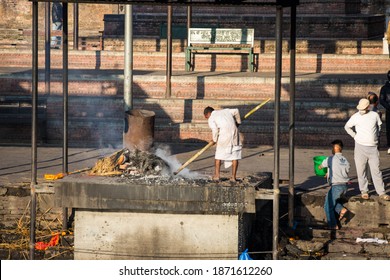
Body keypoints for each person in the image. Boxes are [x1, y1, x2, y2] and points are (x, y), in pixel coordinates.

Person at [344, 98, 390, 201]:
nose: (362, 110)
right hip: (360, 146)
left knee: (376, 171)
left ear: (368, 107)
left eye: (363, 108)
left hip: (373, 147)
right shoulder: (355, 117)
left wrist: (376, 135)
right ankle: (364, 191)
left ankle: (381, 192)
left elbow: (379, 125)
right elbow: (347, 127)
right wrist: (354, 136)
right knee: (361, 170)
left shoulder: (374, 115)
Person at [204, 106, 242, 181]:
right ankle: (233, 177)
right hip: (234, 133)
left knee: (218, 155)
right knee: (234, 156)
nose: (207, 118)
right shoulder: (226, 111)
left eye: (206, 117)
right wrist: (238, 122)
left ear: (207, 114)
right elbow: (236, 110)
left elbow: (215, 130)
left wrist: (214, 140)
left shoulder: (211, 118)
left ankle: (217, 176)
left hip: (224, 135)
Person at [318, 140, 350, 229]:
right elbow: (344, 170)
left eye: (332, 147)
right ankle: (341, 209)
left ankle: (333, 225)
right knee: (333, 202)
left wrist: (319, 166)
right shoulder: (345, 160)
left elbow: (321, 165)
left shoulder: (330, 159)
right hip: (344, 186)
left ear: (335, 148)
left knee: (328, 206)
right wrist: (329, 173)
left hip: (336, 186)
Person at [379, 70, 390, 154]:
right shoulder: (384, 88)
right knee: (389, 129)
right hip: (389, 110)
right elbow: (382, 100)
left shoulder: (384, 88)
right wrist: (388, 107)